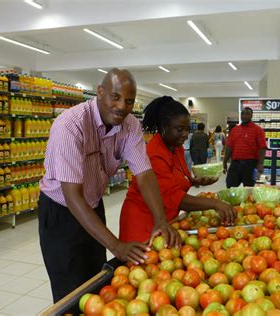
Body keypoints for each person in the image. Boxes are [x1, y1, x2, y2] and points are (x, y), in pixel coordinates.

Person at [38, 69, 180, 304]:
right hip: (60, 212)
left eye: (129, 101)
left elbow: (144, 174)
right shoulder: (69, 126)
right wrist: (116, 245)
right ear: (100, 92)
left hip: (92, 205)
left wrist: (160, 220)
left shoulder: (130, 125)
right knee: (69, 291)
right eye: (115, 97)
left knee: (96, 281)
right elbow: (72, 197)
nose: (122, 106)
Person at [119, 96, 235, 243]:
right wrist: (215, 204)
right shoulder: (154, 155)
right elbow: (173, 198)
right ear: (164, 127)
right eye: (179, 129)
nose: (185, 135)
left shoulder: (176, 147)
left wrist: (193, 181)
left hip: (165, 220)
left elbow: (174, 179)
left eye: (187, 129)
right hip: (143, 223)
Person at [223, 107, 267, 188]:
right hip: (235, 164)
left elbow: (262, 148)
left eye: (247, 114)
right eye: (242, 114)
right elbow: (229, 147)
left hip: (250, 165)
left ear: (251, 115)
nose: (244, 116)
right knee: (230, 187)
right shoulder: (235, 130)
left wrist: (260, 164)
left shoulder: (258, 130)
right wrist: (225, 161)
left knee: (249, 189)